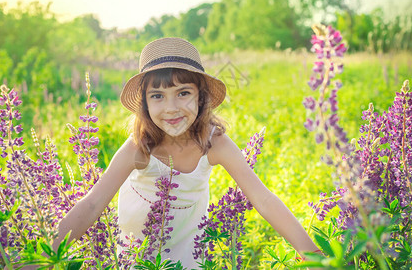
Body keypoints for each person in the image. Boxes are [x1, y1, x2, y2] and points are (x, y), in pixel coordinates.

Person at [52, 37, 320, 268]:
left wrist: (314, 256)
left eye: (183, 93)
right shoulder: (140, 147)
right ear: (144, 104)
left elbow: (263, 199)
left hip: (189, 258)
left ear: (201, 97)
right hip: (137, 258)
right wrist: (43, 256)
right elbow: (92, 204)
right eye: (157, 96)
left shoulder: (214, 143)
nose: (171, 108)